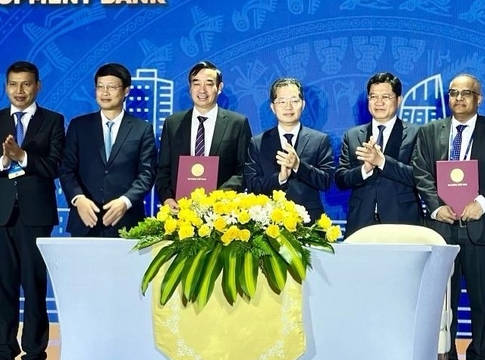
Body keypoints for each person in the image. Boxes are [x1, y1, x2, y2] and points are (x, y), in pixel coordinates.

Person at [413, 73, 485, 360]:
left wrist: (481, 203)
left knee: (481, 302)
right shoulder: (431, 132)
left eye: (466, 93)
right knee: (445, 302)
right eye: (453, 93)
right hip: (442, 229)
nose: (459, 98)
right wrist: (435, 206)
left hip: (480, 229)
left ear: (479, 98)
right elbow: (421, 173)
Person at [0, 61, 65, 360]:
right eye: (13, 84)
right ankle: (4, 357)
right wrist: (3, 159)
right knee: (5, 287)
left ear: (38, 86)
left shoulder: (53, 121)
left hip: (36, 214)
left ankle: (35, 358)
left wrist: (22, 156)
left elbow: (54, 165)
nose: (19, 91)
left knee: (34, 286)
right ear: (6, 87)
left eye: (25, 84)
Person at [59, 63, 157, 237]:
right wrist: (78, 199)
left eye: (111, 87)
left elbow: (147, 173)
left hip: (127, 222)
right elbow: (66, 169)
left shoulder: (142, 129)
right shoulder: (79, 126)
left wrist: (125, 202)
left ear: (126, 90)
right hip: (85, 221)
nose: (105, 93)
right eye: (100, 87)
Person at [335, 72, 422, 237]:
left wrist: (382, 161)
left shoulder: (416, 133)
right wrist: (365, 169)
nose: (379, 102)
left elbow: (418, 176)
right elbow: (341, 179)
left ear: (399, 100)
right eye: (373, 97)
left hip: (402, 221)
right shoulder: (353, 135)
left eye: (386, 97)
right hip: (361, 222)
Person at [156, 60, 251, 210]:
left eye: (208, 83)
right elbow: (163, 169)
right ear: (190, 88)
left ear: (219, 87)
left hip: (221, 212)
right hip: (180, 211)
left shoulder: (237, 123)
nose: (202, 90)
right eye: (196, 83)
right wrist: (167, 198)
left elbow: (244, 169)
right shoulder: (173, 123)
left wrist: (219, 197)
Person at [244, 78, 333, 222]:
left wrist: (298, 165)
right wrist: (280, 178)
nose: (288, 107)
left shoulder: (320, 140)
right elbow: (252, 185)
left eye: (294, 101)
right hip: (269, 223)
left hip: (309, 222)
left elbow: (326, 181)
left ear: (303, 105)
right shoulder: (258, 142)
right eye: (282, 101)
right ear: (273, 107)